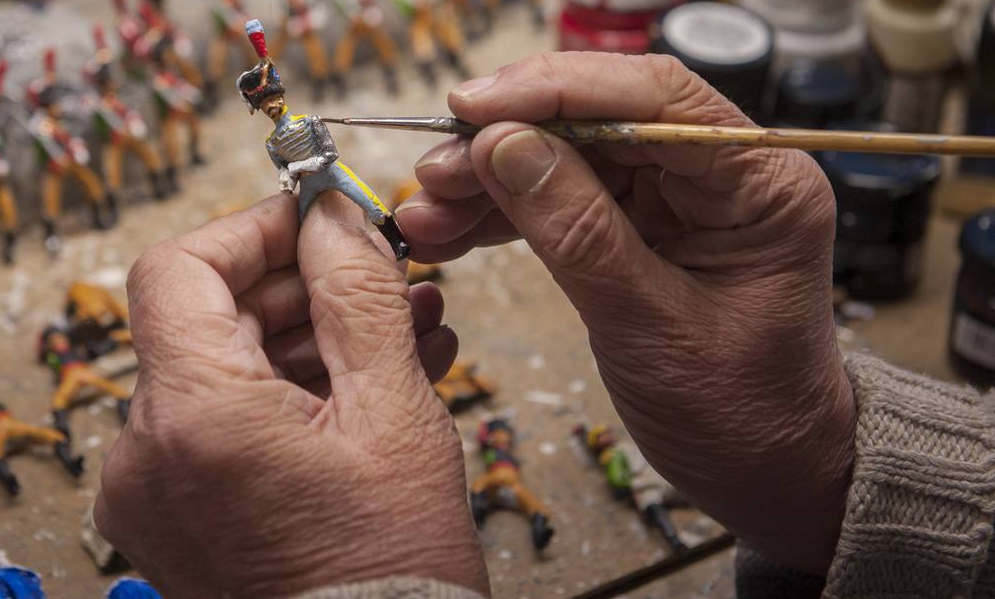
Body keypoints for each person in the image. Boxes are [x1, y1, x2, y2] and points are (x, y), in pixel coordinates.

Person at [93, 52, 995, 598]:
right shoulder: (287, 124)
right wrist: (822, 461)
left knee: (368, 217)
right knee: (366, 216)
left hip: (334, 189)